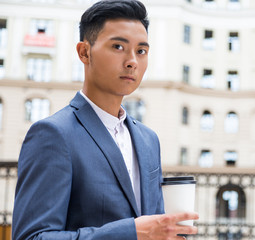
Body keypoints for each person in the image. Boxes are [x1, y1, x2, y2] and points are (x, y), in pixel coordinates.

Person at [12, 0, 198, 239]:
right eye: (118, 47)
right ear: (84, 52)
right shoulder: (53, 134)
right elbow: (32, 236)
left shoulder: (148, 139)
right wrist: (131, 232)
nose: (132, 61)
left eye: (141, 51)